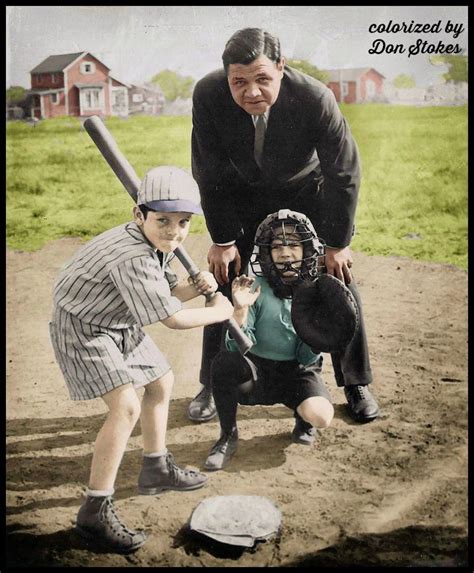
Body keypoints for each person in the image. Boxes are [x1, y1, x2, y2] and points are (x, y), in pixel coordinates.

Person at [189, 27, 379, 428]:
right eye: (239, 82)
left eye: (262, 79)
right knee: (227, 276)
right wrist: (222, 240)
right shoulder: (207, 95)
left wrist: (335, 242)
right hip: (244, 195)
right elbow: (208, 172)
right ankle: (210, 382)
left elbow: (343, 173)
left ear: (281, 66)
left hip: (306, 191)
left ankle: (355, 383)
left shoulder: (315, 97)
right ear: (226, 78)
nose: (252, 92)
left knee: (337, 276)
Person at [49, 166, 234, 554]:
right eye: (162, 220)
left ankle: (155, 468)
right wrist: (220, 311)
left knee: (161, 381)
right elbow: (172, 318)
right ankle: (94, 511)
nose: (173, 231)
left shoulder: (152, 244)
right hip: (84, 326)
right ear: (139, 215)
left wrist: (194, 288)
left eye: (182, 222)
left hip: (116, 318)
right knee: (125, 406)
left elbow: (166, 296)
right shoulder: (131, 255)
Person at [204, 210, 334, 471]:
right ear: (266, 253)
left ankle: (303, 420)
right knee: (224, 363)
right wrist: (239, 310)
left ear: (307, 249)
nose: (286, 253)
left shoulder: (316, 291)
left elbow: (307, 358)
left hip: (297, 373)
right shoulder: (254, 287)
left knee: (321, 416)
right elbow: (235, 348)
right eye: (277, 247)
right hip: (257, 373)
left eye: (294, 245)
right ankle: (227, 435)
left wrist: (316, 333)